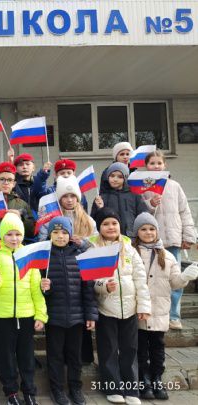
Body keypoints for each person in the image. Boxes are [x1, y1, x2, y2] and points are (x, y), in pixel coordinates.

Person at [132, 212, 198, 400]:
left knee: (158, 348)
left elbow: (175, 282)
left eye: (152, 229)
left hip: (159, 311)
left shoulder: (167, 256)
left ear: (157, 231)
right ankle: (143, 380)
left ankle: (157, 379)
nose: (148, 232)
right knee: (140, 348)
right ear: (137, 232)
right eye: (143, 229)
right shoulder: (132, 253)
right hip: (139, 311)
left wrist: (185, 276)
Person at [0, 212, 47, 405]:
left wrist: (41, 315)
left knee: (27, 356)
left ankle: (29, 392)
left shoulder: (28, 255)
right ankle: (11, 393)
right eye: (9, 234)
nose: (14, 238)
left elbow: (36, 289)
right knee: (6, 357)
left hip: (26, 315)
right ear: (2, 235)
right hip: (2, 316)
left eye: (18, 234)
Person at [90, 207, 151, 405]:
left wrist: (143, 306)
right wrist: (103, 286)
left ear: (120, 225)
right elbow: (91, 280)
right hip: (106, 309)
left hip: (130, 309)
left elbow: (140, 278)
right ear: (99, 227)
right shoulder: (93, 249)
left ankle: (131, 389)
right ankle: (112, 387)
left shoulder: (129, 248)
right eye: (105, 224)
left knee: (130, 349)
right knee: (108, 350)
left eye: (114, 223)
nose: (111, 227)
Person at [40, 217, 98, 405]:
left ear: (70, 235)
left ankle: (75, 388)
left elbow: (88, 288)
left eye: (64, 232)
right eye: (56, 232)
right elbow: (39, 291)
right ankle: (57, 389)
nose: (60, 236)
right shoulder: (44, 257)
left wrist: (90, 314)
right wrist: (45, 288)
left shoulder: (80, 256)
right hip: (54, 317)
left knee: (75, 356)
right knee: (55, 355)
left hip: (77, 317)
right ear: (49, 234)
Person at [142, 150, 197, 329]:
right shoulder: (143, 188)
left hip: (173, 240)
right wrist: (150, 204)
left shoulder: (175, 186)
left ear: (165, 165)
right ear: (146, 166)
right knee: (154, 280)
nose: (156, 166)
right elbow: (140, 213)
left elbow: (184, 212)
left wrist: (188, 236)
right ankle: (153, 315)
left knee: (176, 278)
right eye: (152, 163)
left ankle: (174, 316)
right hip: (152, 241)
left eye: (159, 163)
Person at [38, 175, 97, 247]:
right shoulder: (50, 218)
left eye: (73, 196)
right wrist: (57, 241)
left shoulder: (88, 220)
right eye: (65, 196)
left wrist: (82, 243)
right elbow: (42, 241)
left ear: (77, 198)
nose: (69, 200)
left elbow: (96, 240)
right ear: (60, 199)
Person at [91, 162, 148, 237]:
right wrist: (100, 209)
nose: (115, 179)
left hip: (131, 237)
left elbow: (143, 215)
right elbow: (94, 220)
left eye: (120, 177)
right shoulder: (101, 198)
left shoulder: (135, 195)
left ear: (125, 178)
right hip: (109, 237)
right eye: (112, 176)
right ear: (107, 177)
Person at [0, 162, 35, 240]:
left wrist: (21, 218)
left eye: (9, 180)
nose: (6, 183)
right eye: (2, 179)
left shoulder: (22, 204)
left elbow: (31, 232)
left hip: (15, 245)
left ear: (14, 184)